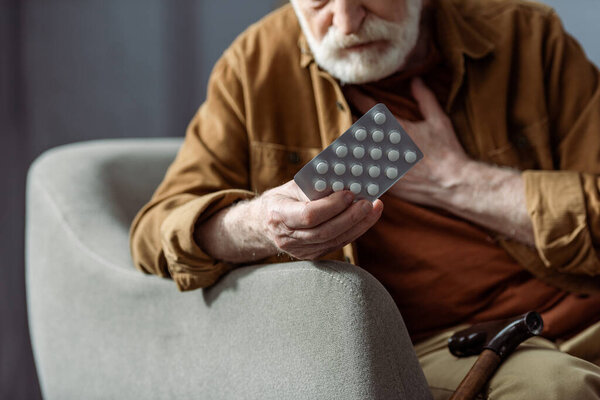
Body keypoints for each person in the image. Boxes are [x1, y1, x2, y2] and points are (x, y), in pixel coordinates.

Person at [130, 0, 600, 398]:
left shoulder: (527, 35)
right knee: (558, 387)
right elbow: (156, 235)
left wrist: (462, 182)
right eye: (318, 2)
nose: (347, 21)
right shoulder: (255, 67)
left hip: (584, 303)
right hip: (458, 347)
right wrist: (258, 224)